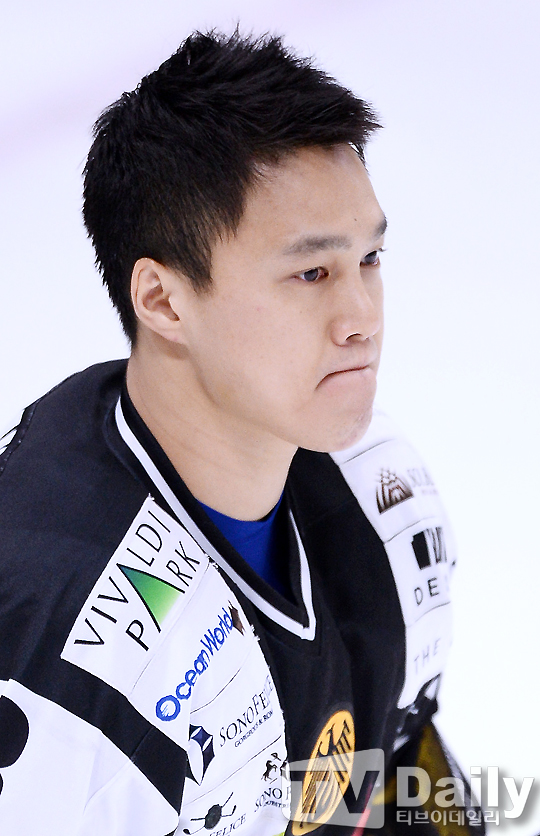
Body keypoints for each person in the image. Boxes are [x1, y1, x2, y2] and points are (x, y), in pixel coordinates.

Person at [0, 30, 483, 836]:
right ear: (163, 301)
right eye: (311, 272)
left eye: (370, 258)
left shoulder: (373, 497)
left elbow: (405, 785)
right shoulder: (57, 657)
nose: (362, 317)